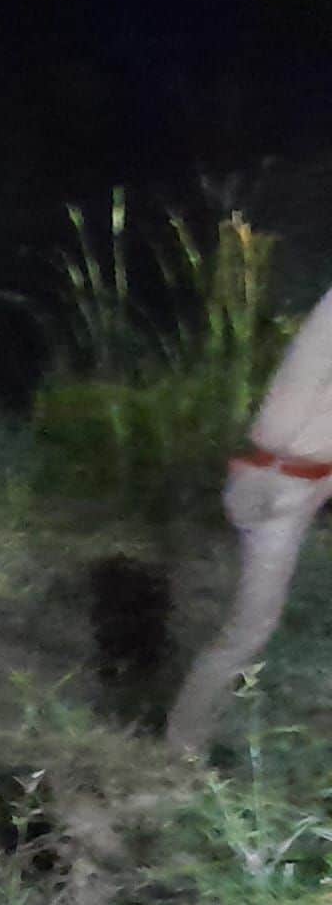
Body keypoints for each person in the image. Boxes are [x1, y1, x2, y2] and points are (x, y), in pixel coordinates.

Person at [166, 284, 332, 753]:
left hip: (305, 480)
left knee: (250, 627)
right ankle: (182, 750)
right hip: (275, 481)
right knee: (246, 629)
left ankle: (192, 740)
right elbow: (298, 391)